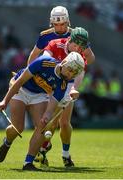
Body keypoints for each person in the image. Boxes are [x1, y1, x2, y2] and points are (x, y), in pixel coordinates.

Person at [0, 52, 85, 171]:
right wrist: (4, 101)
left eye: (73, 73)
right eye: (69, 70)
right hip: (21, 89)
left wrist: (47, 116)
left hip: (39, 95)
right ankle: (7, 142)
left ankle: (28, 162)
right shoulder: (44, 62)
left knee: (42, 127)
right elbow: (20, 81)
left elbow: (52, 105)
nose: (70, 75)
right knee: (18, 128)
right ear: (63, 63)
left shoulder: (63, 84)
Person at [35, 27, 95, 167]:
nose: (79, 48)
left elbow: (80, 73)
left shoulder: (79, 54)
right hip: (51, 82)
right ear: (70, 40)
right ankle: (43, 149)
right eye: (77, 44)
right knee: (50, 121)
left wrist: (73, 89)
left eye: (82, 46)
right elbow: (44, 58)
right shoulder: (56, 44)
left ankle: (65, 154)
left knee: (64, 123)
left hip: (67, 85)